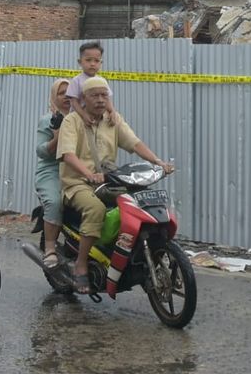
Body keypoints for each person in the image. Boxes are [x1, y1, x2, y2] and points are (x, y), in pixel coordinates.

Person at [57, 75, 173, 294]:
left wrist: (158, 162)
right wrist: (89, 174)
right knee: (96, 209)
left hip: (109, 181)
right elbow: (68, 155)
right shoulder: (72, 121)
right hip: (77, 183)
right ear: (84, 98)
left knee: (138, 204)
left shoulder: (113, 120)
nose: (101, 100)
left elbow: (134, 143)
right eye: (95, 95)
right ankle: (81, 265)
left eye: (104, 95)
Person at [35, 78, 72, 269]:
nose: (66, 96)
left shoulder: (79, 118)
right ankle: (50, 248)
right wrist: (56, 139)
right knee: (56, 201)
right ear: (54, 96)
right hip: (51, 171)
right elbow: (41, 151)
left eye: (69, 92)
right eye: (61, 92)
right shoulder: (48, 119)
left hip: (75, 171)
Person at [66, 41, 116, 127]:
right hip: (78, 120)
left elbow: (107, 99)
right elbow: (74, 102)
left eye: (96, 61)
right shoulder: (76, 80)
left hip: (97, 119)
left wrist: (112, 111)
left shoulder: (102, 81)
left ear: (101, 63)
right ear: (80, 62)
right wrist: (83, 115)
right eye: (88, 60)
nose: (92, 64)